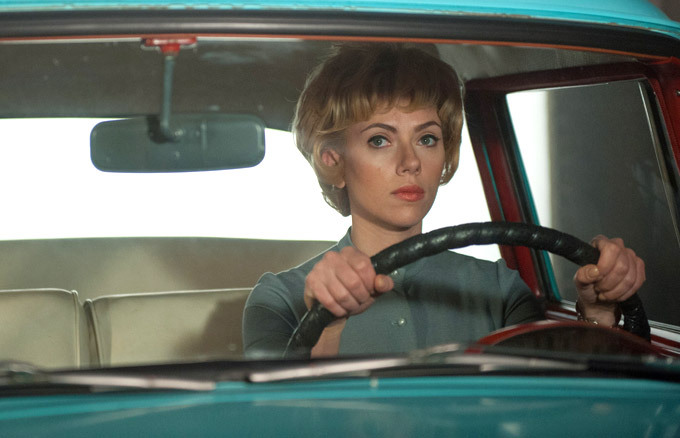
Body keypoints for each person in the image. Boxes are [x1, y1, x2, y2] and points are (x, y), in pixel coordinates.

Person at [242, 43, 645, 358]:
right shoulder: (278, 298)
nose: (411, 162)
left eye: (427, 138)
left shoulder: (500, 288)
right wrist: (327, 324)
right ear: (333, 161)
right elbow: (277, 418)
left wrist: (599, 313)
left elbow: (553, 405)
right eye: (379, 140)